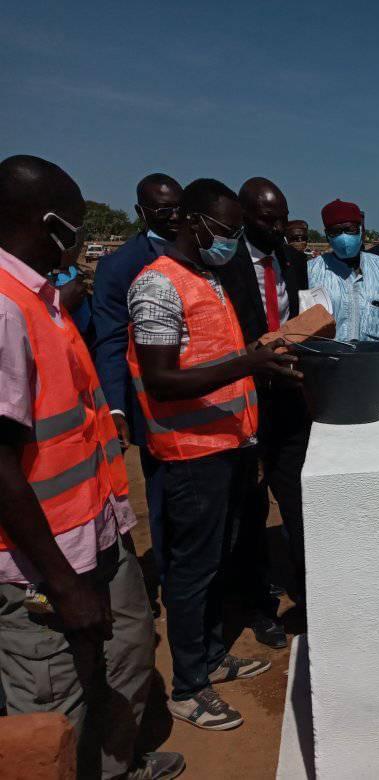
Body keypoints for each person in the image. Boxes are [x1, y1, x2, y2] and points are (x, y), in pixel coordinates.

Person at [0, 154, 183, 779]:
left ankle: (114, 768)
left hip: (98, 531)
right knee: (53, 707)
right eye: (75, 223)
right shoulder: (4, 309)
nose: (80, 237)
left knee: (128, 652)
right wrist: (61, 580)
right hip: (38, 563)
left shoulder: (42, 297)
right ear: (49, 222)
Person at [128, 178, 298, 730]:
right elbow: (160, 380)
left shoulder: (207, 278)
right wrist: (250, 364)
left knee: (217, 560)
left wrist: (254, 358)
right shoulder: (157, 285)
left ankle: (208, 658)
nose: (230, 241)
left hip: (226, 445)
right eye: (225, 230)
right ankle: (188, 687)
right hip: (189, 454)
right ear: (193, 222)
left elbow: (217, 359)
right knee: (191, 571)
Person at [217, 177, 311, 639]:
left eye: (282, 217)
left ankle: (308, 592)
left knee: (298, 505)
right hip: (243, 406)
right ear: (244, 216)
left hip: (291, 402)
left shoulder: (295, 262)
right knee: (250, 512)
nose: (276, 227)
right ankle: (258, 606)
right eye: (265, 220)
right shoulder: (222, 266)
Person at [93, 173, 182, 580]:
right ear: (141, 212)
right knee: (165, 498)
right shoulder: (120, 266)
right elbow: (110, 342)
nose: (174, 216)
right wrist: (115, 408)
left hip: (209, 397)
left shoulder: (202, 254)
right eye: (163, 210)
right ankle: (168, 574)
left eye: (179, 208)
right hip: (154, 405)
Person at [307, 199, 379, 391]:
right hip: (329, 376)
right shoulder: (311, 273)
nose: (343, 237)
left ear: (361, 230)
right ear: (327, 236)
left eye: (349, 229)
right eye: (335, 231)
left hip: (376, 376)